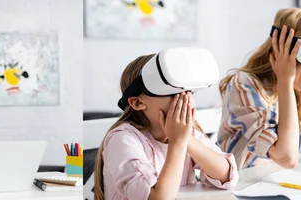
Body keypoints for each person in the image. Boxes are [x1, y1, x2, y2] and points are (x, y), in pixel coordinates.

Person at [218, 8, 301, 169]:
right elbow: (287, 158)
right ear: (282, 48)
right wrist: (285, 80)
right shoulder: (244, 84)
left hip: (274, 179)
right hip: (240, 184)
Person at [94, 54, 238, 200]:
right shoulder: (122, 140)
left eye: (188, 92)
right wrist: (178, 142)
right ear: (137, 103)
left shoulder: (186, 134)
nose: (185, 99)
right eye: (173, 93)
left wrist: (185, 138)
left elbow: (227, 176)